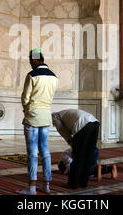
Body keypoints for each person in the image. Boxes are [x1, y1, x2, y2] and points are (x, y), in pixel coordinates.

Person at [17, 49, 58, 195]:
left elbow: (25, 98)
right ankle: (46, 185)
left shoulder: (32, 75)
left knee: (32, 153)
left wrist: (26, 110)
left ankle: (32, 188)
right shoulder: (54, 77)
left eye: (30, 61)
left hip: (33, 116)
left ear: (35, 60)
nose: (30, 63)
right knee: (45, 151)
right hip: (46, 116)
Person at [51, 109, 99, 188]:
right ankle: (83, 183)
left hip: (83, 125)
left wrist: (73, 145)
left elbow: (64, 132)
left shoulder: (55, 117)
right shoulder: (63, 113)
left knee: (78, 157)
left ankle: (73, 183)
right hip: (95, 123)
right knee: (88, 155)